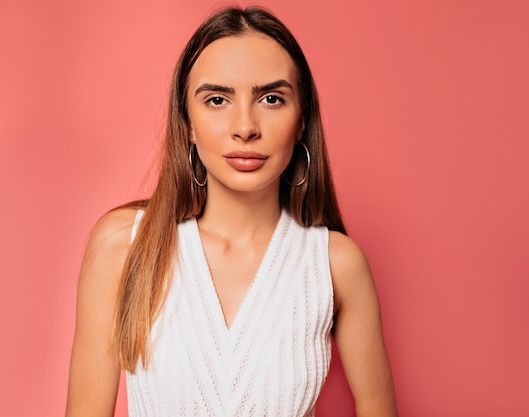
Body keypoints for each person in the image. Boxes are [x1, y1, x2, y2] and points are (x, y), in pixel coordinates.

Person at [66, 6, 397, 417]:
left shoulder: (336, 264)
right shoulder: (124, 245)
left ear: (300, 121)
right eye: (217, 99)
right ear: (186, 122)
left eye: (272, 98)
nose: (245, 126)